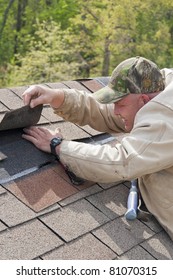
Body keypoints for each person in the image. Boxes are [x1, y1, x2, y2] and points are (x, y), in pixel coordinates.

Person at [22, 56, 173, 240]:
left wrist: (58, 146)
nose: (116, 110)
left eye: (120, 104)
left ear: (143, 101)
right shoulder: (157, 86)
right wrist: (58, 97)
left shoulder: (166, 119)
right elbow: (108, 112)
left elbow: (122, 162)